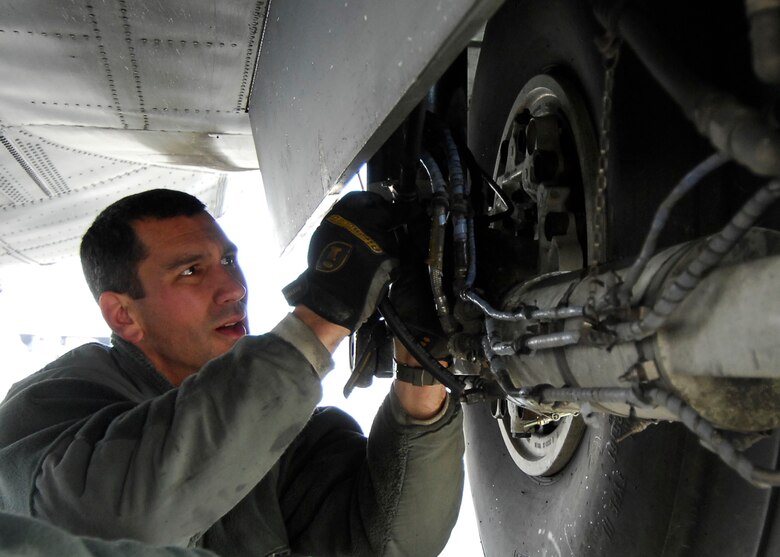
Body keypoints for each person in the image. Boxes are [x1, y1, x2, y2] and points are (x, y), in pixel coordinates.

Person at [0, 189, 464, 556]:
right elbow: (114, 527)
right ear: (123, 316)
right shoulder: (49, 412)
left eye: (226, 260)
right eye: (190, 272)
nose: (234, 288)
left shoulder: (281, 432)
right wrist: (322, 317)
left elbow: (385, 544)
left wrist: (421, 368)